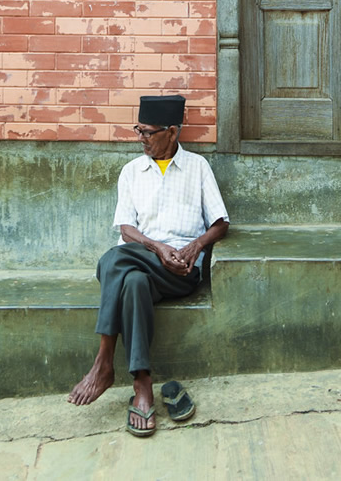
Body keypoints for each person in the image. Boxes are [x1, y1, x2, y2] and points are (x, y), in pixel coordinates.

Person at [68, 94, 229, 436]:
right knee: (132, 280)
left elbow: (220, 223)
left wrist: (193, 247)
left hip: (181, 272)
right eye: (138, 130)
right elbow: (126, 228)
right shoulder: (131, 172)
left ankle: (104, 363)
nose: (140, 138)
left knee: (111, 260)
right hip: (144, 262)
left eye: (147, 132)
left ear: (172, 132)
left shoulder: (198, 167)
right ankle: (142, 384)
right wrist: (157, 248)